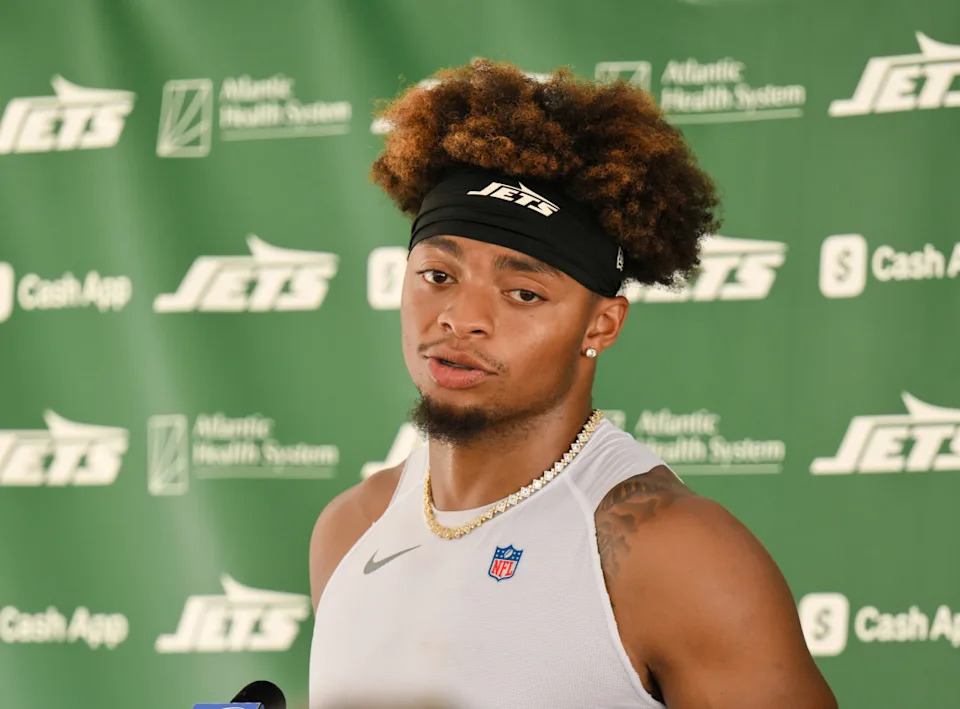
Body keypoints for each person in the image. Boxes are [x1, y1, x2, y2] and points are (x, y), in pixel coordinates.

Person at [308, 59, 837, 708]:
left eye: (523, 292)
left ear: (602, 323)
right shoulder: (349, 529)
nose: (461, 318)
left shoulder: (674, 554)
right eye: (438, 276)